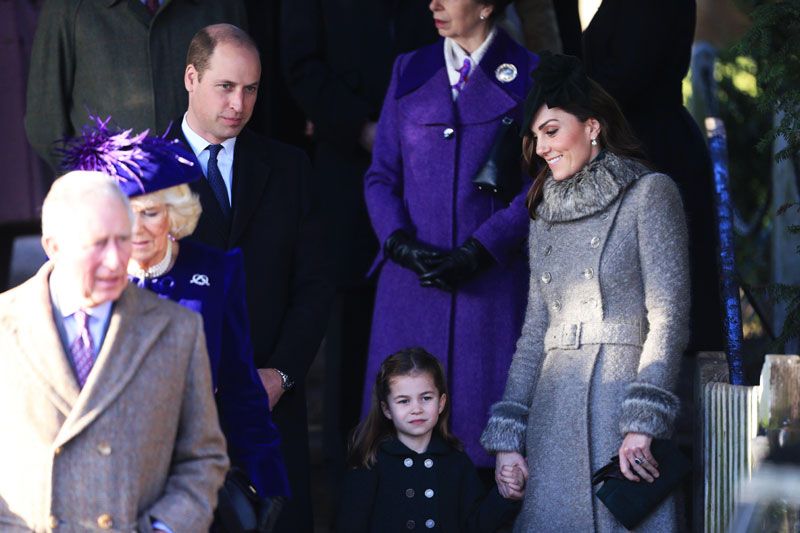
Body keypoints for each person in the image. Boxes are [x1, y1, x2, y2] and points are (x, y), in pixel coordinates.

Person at [480, 52, 689, 531]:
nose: (542, 147)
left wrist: (643, 419)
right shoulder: (543, 213)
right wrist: (510, 435)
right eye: (535, 137)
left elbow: (668, 314)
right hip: (554, 413)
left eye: (551, 131)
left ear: (592, 126)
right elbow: (534, 334)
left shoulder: (650, 193)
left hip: (619, 410)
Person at [60, 118, 291, 501]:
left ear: (173, 213)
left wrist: (267, 483)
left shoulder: (216, 271)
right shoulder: (92, 280)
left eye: (150, 212)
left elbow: (239, 384)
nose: (137, 229)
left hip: (193, 465)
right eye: (125, 213)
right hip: (111, 469)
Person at [0, 171, 228, 532]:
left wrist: (165, 528)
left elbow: (203, 457)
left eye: (122, 240)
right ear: (53, 246)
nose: (114, 261)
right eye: (97, 243)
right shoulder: (4, 325)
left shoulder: (176, 329)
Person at [362, 0, 538, 468]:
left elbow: (541, 184)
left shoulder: (530, 74)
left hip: (489, 291)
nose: (433, 4)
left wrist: (484, 248)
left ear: (486, 6)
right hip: (410, 287)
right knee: (398, 456)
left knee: (481, 458)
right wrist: (398, 242)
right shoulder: (409, 68)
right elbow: (380, 175)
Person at [176, 24, 334, 532]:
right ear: (191, 78)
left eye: (251, 89)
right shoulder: (142, 172)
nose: (239, 104)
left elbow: (314, 285)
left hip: (272, 403)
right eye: (226, 87)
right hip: (178, 410)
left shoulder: (290, 168)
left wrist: (282, 374)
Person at [582, 0, 723, 352]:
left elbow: (627, 73)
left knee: (661, 301)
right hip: (640, 141)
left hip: (648, 149)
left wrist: (557, 92)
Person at [24, 0, 246, 171]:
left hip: (206, 200)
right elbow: (44, 123)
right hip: (108, 208)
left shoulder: (223, 5)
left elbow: (250, 100)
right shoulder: (68, 7)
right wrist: (93, 180)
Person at [339, 348, 522, 532]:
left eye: (426, 398)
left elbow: (476, 525)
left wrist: (505, 495)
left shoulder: (456, 462)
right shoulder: (370, 462)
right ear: (387, 410)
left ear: (441, 403)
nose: (416, 409)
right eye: (404, 401)